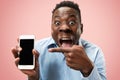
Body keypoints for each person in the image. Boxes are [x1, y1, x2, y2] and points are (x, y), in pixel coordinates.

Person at [12, 1, 106, 80]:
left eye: (72, 22)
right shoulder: (36, 50)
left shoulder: (95, 52)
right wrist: (33, 77)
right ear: (51, 28)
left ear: (81, 28)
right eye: (57, 22)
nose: (64, 27)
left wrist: (88, 69)